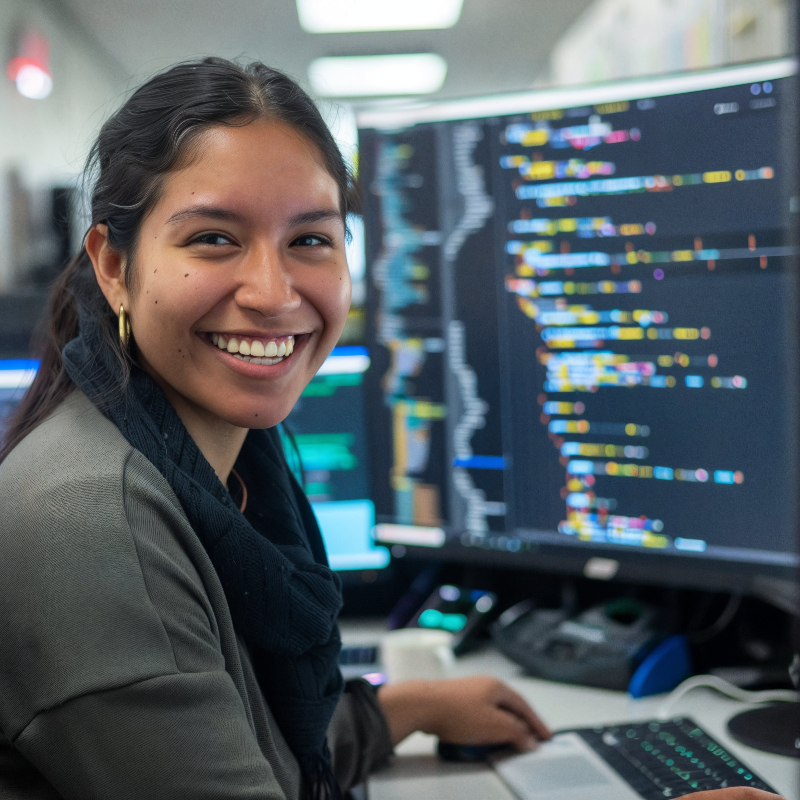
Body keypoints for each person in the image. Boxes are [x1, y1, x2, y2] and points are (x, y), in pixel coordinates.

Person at [0, 59, 784, 800]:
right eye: (214, 238)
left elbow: (236, 745)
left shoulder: (216, 466)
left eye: (310, 239)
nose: (273, 294)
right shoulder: (92, 522)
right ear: (111, 264)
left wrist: (392, 712)